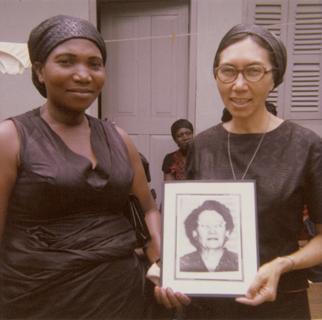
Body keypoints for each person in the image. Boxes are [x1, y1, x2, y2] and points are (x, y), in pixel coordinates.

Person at [0, 15, 162, 319]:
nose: (83, 75)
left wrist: (163, 261)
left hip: (123, 299)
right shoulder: (10, 138)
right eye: (66, 62)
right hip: (41, 302)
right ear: (39, 71)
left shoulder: (118, 138)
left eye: (94, 64)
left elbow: (149, 209)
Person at [155, 24, 322, 319]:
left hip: (278, 301)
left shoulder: (305, 145)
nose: (239, 85)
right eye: (228, 71)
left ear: (274, 77)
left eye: (254, 71)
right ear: (216, 75)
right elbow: (180, 230)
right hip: (207, 305)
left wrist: (283, 264)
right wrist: (167, 270)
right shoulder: (201, 145)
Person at [180, 200, 238, 272]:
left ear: (227, 232)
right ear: (194, 233)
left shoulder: (238, 262)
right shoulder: (183, 264)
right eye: (205, 226)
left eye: (218, 225)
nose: (212, 231)